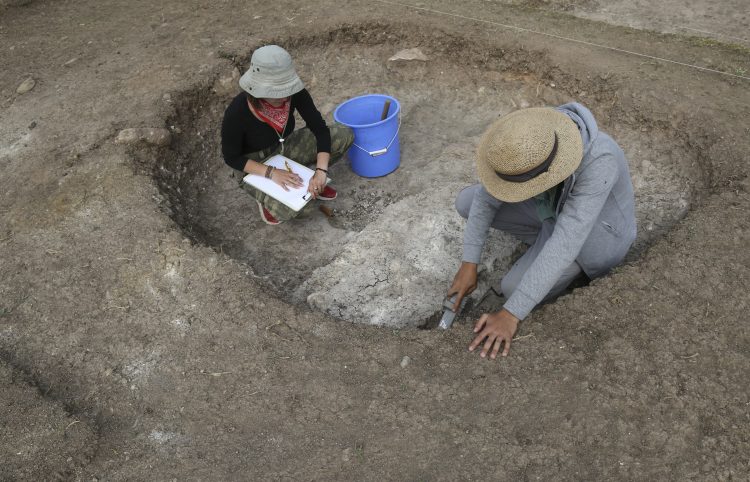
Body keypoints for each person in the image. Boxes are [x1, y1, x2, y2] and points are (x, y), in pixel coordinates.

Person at [450, 103, 636, 359]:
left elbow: (566, 242)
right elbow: (486, 197)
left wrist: (511, 314)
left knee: (513, 289)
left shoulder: (599, 162)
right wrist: (469, 261)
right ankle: (538, 248)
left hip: (595, 237)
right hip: (550, 210)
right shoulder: (528, 136)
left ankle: (566, 273)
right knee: (466, 202)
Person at [221, 45, 354, 225]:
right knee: (302, 208)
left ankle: (309, 179)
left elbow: (320, 129)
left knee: (343, 135)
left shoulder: (294, 93)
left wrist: (321, 171)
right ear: (259, 89)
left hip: (284, 148)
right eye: (277, 94)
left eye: (286, 90)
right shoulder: (237, 112)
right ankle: (266, 198)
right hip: (254, 165)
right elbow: (231, 158)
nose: (284, 98)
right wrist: (271, 173)